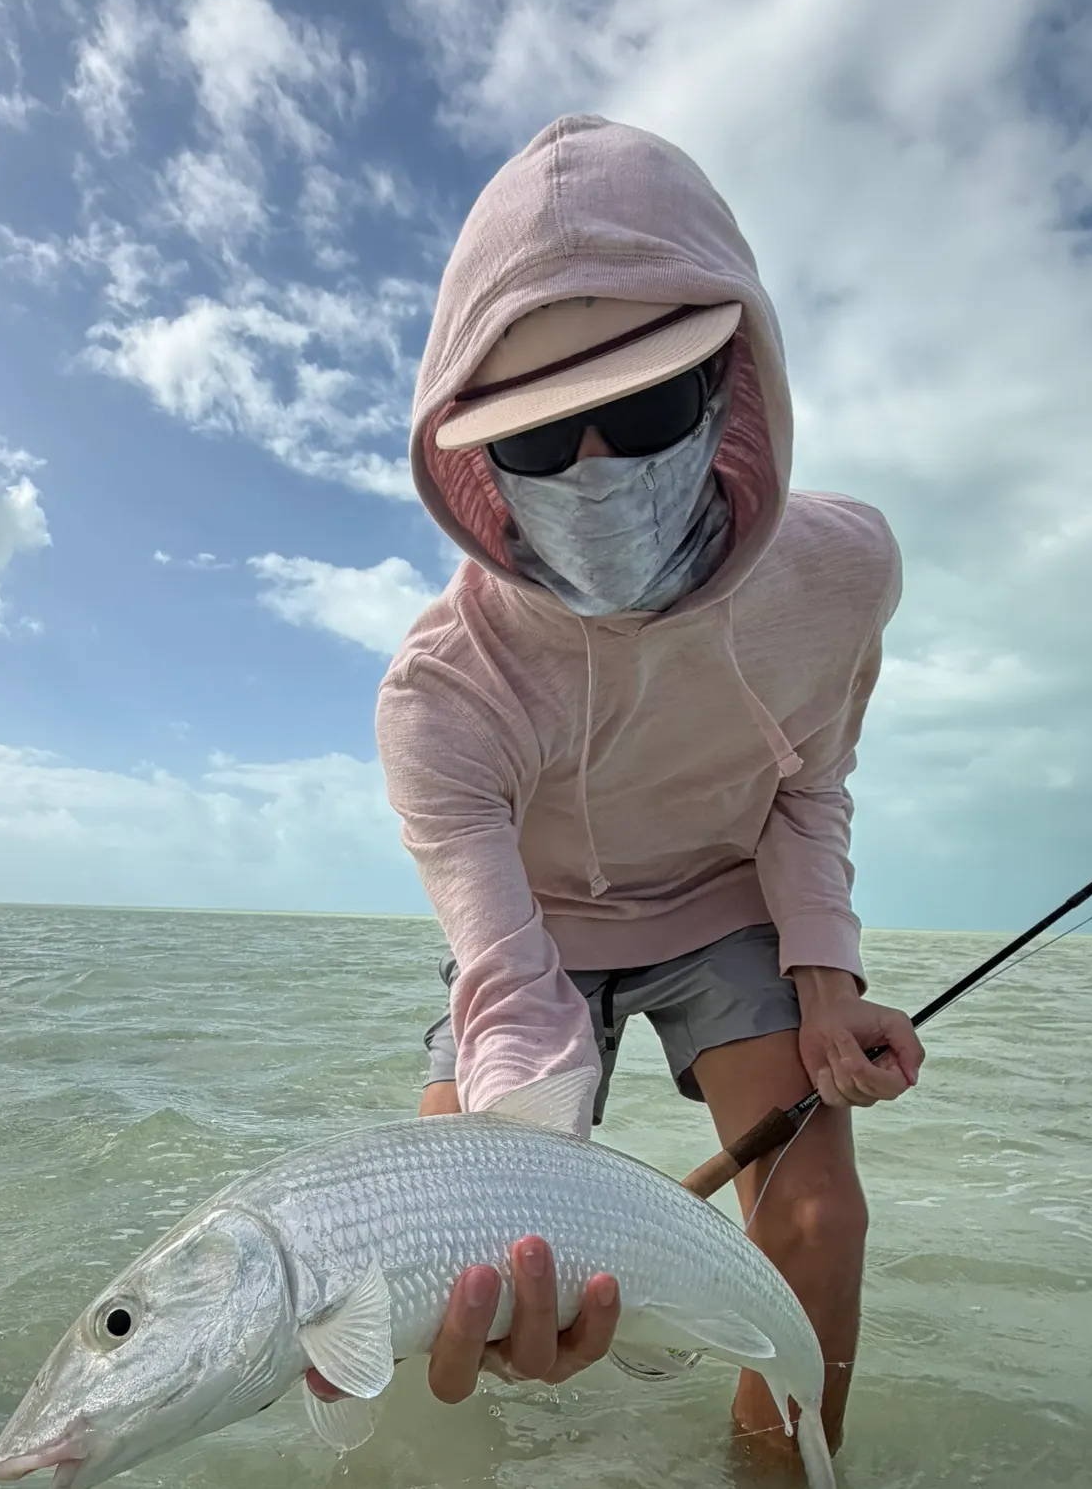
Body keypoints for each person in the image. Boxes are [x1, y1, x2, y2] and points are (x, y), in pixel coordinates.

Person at [308, 115, 926, 1464]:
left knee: (819, 1225)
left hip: (721, 903)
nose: (597, 470)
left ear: (730, 386)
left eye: (645, 408)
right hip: (533, 932)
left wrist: (824, 981)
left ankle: (775, 1467)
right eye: (536, 443)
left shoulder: (845, 572)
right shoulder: (441, 693)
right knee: (435, 1278)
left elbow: (810, 786)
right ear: (475, 465)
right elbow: (504, 981)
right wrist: (517, 1176)